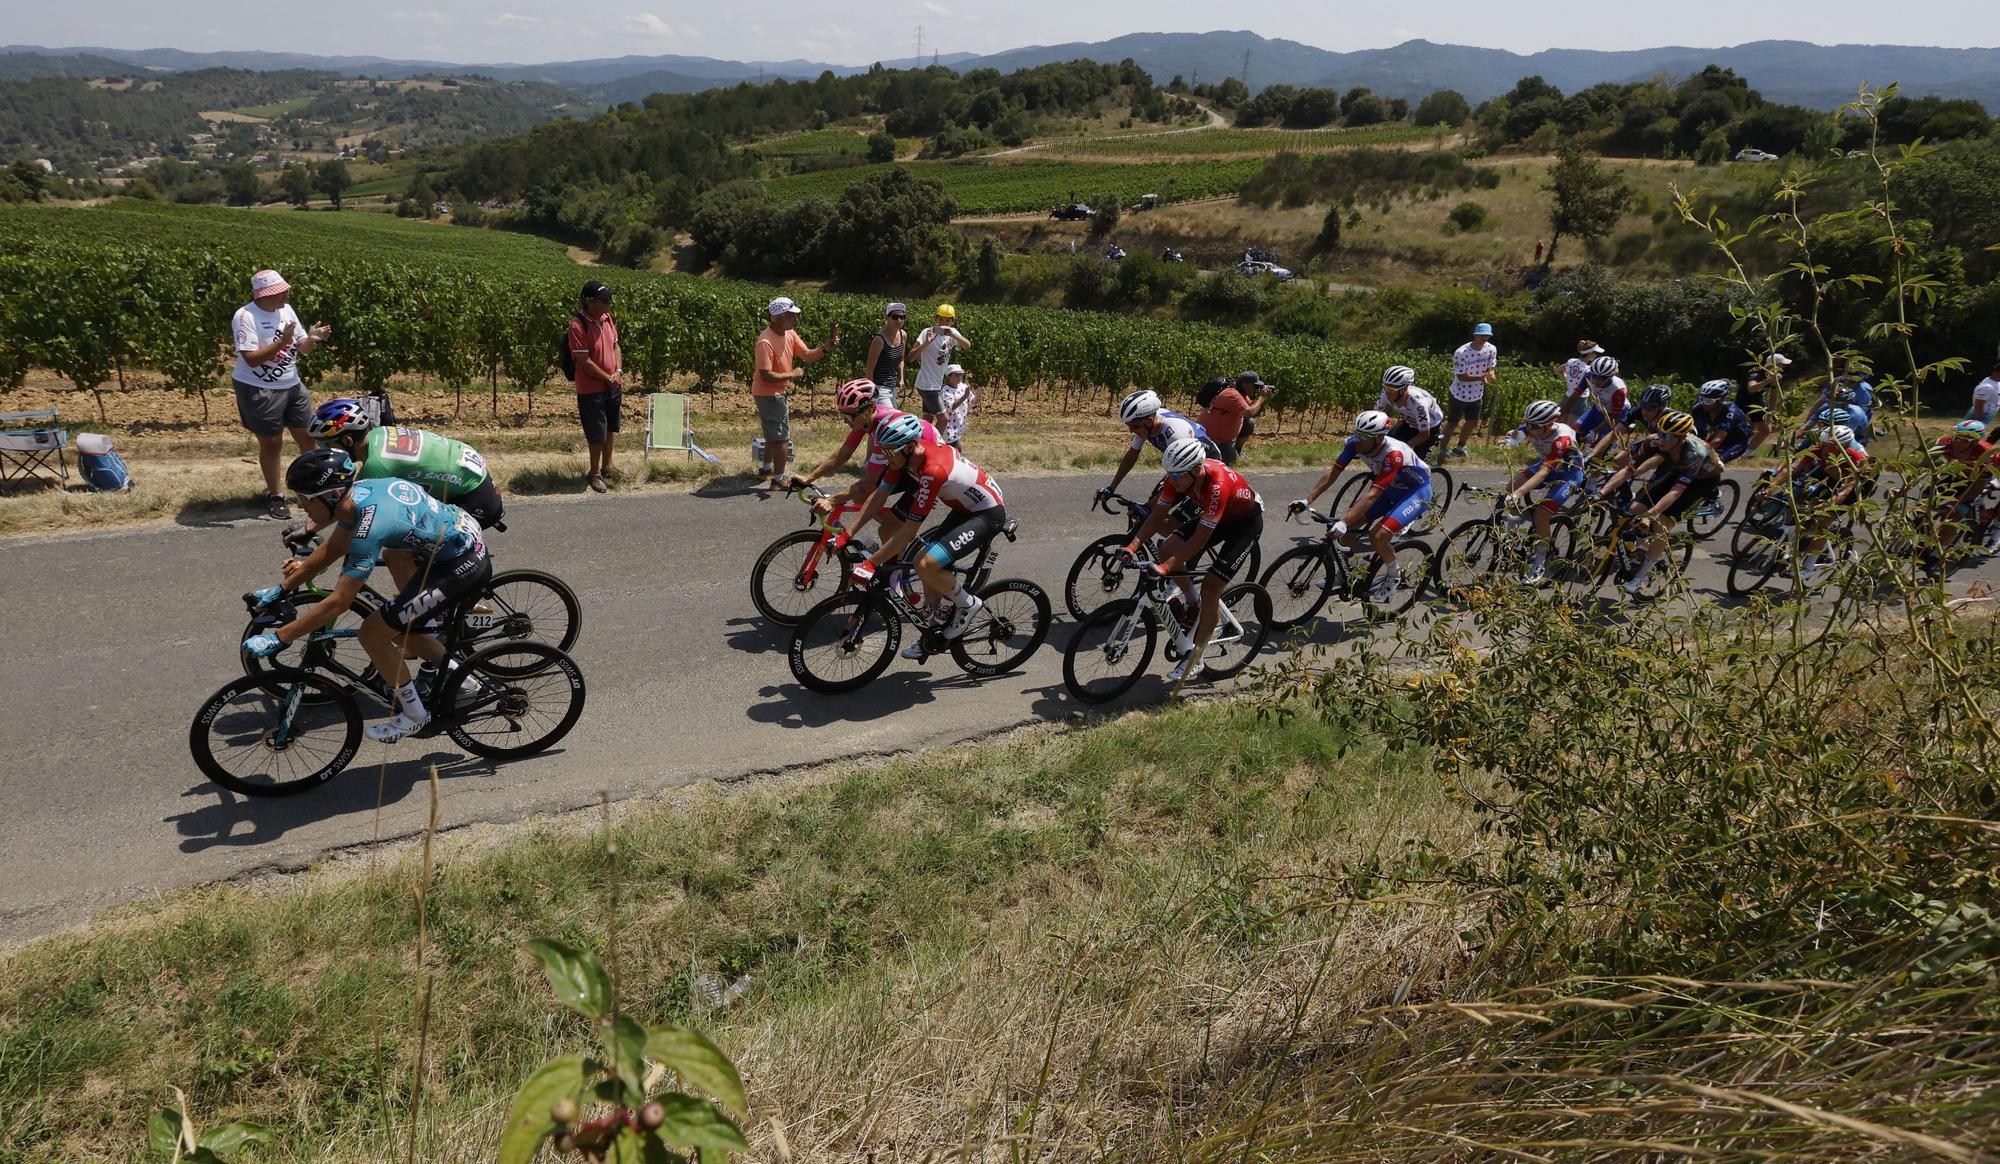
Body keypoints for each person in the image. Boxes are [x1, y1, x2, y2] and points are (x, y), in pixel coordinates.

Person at [241, 449, 489, 743]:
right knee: (399, 626)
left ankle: (414, 716)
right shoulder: (356, 499)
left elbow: (339, 601)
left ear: (330, 496)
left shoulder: (370, 526)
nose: (302, 507)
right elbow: (331, 550)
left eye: (305, 499)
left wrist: (280, 637)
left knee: (372, 632)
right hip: (452, 540)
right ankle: (466, 682)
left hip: (461, 562)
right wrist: (281, 589)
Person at [845, 415, 1008, 655]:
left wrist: (871, 563)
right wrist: (847, 533)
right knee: (924, 563)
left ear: (910, 447)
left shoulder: (933, 470)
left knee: (926, 564)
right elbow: (879, 496)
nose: (888, 460)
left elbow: (909, 530)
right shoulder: (906, 457)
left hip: (987, 513)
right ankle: (933, 634)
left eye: (891, 453)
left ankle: (967, 603)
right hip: (965, 509)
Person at [1120, 437, 1264, 684]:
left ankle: (1196, 657)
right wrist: (1132, 546)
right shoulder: (1178, 476)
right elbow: (1156, 518)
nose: (1172, 481)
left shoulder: (1217, 486)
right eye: (1169, 475)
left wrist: (1166, 569)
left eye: (1177, 476)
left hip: (1244, 524)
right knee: (1167, 548)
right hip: (1219, 516)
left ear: (1196, 470)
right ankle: (1191, 599)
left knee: (1211, 587)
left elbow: (1199, 540)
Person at [1290, 410, 1434, 602]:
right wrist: (1307, 500)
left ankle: (1394, 575)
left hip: (1415, 493)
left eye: (1365, 437)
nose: (1359, 441)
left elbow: (1373, 494)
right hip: (1390, 489)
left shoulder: (1394, 454)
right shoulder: (1355, 444)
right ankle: (1345, 572)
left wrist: (1343, 521)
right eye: (1357, 434)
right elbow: (1334, 472)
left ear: (1380, 438)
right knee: (1348, 528)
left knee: (1378, 536)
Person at [306, 399, 504, 530]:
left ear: (348, 441)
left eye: (326, 444)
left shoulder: (379, 464)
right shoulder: (379, 435)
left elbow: (347, 505)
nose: (326, 451)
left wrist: (308, 530)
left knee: (401, 554)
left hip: (475, 498)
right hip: (469, 474)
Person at [233, 268, 331, 519]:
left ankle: (315, 488)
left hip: (292, 385)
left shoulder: (286, 310)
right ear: (265, 294)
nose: (286, 294)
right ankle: (275, 495)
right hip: (259, 388)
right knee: (272, 442)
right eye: (280, 291)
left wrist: (312, 338)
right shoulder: (245, 316)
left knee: (308, 438)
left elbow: (303, 348)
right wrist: (282, 342)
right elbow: (252, 359)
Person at [1596, 410, 1723, 595]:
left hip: (1702, 480)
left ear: (1681, 438)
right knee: (1634, 508)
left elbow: (1676, 492)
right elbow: (1629, 469)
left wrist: (1650, 516)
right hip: (1677, 469)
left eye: (1669, 436)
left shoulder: (1694, 453)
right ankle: (1641, 546)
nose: (1663, 439)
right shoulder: (1656, 441)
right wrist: (1600, 493)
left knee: (1662, 521)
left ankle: (1644, 574)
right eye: (1661, 433)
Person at [793, 380, 938, 539]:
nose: (844, 421)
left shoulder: (884, 429)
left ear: (868, 410)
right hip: (906, 464)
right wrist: (809, 477)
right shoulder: (866, 420)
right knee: (861, 497)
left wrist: (833, 500)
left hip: (928, 472)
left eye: (848, 416)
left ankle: (897, 537)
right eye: (842, 415)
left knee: (885, 530)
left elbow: (869, 483)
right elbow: (843, 454)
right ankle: (900, 535)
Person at [1767, 422, 1871, 585]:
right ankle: (1798, 546)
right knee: (1802, 508)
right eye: (1824, 445)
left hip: (1854, 488)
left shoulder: (1857, 459)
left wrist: (1821, 507)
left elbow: (1844, 492)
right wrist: (1770, 488)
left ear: (1842, 446)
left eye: (1830, 447)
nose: (1825, 449)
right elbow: (1794, 468)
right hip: (1832, 477)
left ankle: (1807, 568)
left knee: (1822, 522)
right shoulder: (1820, 446)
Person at [753, 296, 840, 485]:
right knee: (782, 438)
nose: (795, 319)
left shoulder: (789, 333)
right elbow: (765, 375)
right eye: (791, 315)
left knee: (772, 435)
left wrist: (825, 348)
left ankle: (765, 470)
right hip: (769, 394)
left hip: (773, 393)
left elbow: (807, 355)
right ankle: (778, 479)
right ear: (779, 317)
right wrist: (791, 374)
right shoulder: (765, 342)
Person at [1502, 400, 1585, 584]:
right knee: (1511, 486)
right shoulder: (1534, 425)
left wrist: (1519, 494)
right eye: (1528, 424)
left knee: (1541, 515)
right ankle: (1514, 536)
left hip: (1568, 473)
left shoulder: (1562, 438)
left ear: (1548, 424)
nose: (1529, 429)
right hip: (1547, 464)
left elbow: (1544, 472)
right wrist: (1511, 439)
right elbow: (1519, 433)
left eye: (1534, 426)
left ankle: (1541, 560)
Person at [1099, 389, 1216, 499]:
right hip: (1183, 465)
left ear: (1149, 421)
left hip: (1207, 462)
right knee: (1153, 504)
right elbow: (1132, 456)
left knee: (1177, 506)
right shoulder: (1146, 424)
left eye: (1134, 426)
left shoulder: (1174, 434)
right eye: (1129, 426)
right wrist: (1111, 488)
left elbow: (1185, 473)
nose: (1131, 430)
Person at [568, 280, 622, 493]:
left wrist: (618, 372)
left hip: (613, 385)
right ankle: (594, 473)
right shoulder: (577, 325)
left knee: (610, 429)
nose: (609, 303)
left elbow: (615, 346)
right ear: (590, 302)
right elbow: (585, 362)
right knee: (596, 433)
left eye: (610, 299)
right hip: (592, 390)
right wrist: (608, 378)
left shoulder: (607, 318)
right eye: (604, 300)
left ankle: (608, 467)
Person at [1928, 419, 2000, 556]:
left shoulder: (1988, 453)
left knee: (1954, 512)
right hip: (1956, 475)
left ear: (1974, 441)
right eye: (1957, 438)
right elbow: (1927, 464)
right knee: (1926, 499)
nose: (1957, 443)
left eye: (1964, 441)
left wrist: (1996, 483)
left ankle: (1937, 555)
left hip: (1976, 483)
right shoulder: (1945, 441)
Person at [1440, 322, 1499, 459]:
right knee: (1453, 422)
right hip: (1459, 394)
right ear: (1475, 335)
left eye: (1487, 335)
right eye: (1482, 335)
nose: (1484, 338)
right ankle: (1442, 450)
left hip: (1476, 394)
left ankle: (1460, 447)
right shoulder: (1461, 352)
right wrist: (1481, 378)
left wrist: (1491, 374)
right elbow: (1461, 376)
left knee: (1472, 421)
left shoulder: (1491, 349)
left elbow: (1491, 366)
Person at [909, 304, 972, 426]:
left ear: (952, 321)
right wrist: (926, 343)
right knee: (943, 419)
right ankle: (938, 444)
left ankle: (922, 443)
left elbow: (967, 345)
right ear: (936, 318)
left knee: (927, 419)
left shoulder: (952, 333)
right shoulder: (927, 332)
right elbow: (911, 357)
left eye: (947, 320)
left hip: (936, 384)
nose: (943, 323)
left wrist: (953, 335)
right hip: (927, 384)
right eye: (941, 319)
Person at [1197, 370, 1270, 465]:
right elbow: (1249, 412)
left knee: (1249, 422)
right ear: (1246, 385)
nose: (1255, 388)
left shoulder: (1239, 392)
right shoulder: (1232, 394)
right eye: (1255, 385)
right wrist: (1261, 398)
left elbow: (1249, 408)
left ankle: (1238, 450)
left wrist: (1259, 398)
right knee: (1230, 461)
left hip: (1223, 439)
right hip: (1212, 439)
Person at [1375, 365, 1444, 460]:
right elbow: (1374, 414)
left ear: (1403, 389)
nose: (1387, 393)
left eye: (1391, 391)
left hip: (1430, 427)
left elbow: (1424, 435)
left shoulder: (1418, 404)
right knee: (1387, 448)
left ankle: (1426, 452)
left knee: (1413, 461)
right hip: (1410, 421)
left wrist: (1405, 448)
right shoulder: (1387, 394)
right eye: (1386, 388)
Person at [1574, 354, 1629, 461]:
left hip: (1615, 414)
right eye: (1594, 376)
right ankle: (1578, 459)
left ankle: (1602, 462)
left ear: (1610, 376)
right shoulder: (1588, 375)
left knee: (1601, 445)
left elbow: (1615, 416)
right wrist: (1561, 411)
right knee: (1576, 432)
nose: (1595, 380)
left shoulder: (1618, 389)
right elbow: (1575, 395)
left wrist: (1596, 430)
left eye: (1601, 378)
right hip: (1598, 407)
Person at [1693, 379, 1752, 463]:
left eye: (1708, 401)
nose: (1704, 404)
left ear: (1720, 400)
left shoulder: (1731, 413)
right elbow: (1698, 433)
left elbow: (1717, 441)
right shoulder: (1699, 408)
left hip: (1736, 442)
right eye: (1701, 399)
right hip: (1719, 435)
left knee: (1712, 463)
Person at [1740, 353, 1790, 452]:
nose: (1783, 367)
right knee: (1740, 430)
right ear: (1773, 365)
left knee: (1766, 430)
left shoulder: (1774, 378)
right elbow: (1751, 388)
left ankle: (1747, 453)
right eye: (1781, 364)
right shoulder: (1756, 375)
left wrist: (1771, 414)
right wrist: (1769, 380)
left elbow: (1773, 395)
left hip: (1757, 404)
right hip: (1742, 404)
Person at [863, 303, 908, 410]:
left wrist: (901, 379)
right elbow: (870, 369)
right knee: (892, 419)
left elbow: (901, 359)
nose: (899, 320)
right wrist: (872, 392)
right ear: (887, 317)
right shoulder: (879, 340)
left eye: (902, 317)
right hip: (880, 388)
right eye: (895, 317)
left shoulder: (903, 335)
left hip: (892, 388)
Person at [1560, 340, 1604, 422]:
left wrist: (1568, 379)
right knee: (1574, 427)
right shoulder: (1589, 369)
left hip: (1567, 396)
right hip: (1580, 400)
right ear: (1590, 353)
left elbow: (1558, 370)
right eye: (1595, 353)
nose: (1596, 355)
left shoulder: (1571, 361)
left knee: (1561, 423)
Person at [937, 364, 978, 450]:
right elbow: (951, 407)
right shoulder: (945, 390)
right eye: (956, 375)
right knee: (957, 448)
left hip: (959, 426)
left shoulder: (963, 387)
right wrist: (964, 396)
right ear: (948, 376)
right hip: (949, 428)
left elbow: (973, 402)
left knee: (952, 451)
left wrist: (978, 395)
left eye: (960, 375)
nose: (959, 377)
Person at [1966, 359, 2000, 424]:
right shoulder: (1987, 386)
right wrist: (1978, 422)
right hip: (1980, 415)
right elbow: (1979, 404)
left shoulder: (1997, 383)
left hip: (1988, 414)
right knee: (1969, 433)